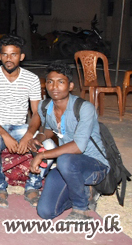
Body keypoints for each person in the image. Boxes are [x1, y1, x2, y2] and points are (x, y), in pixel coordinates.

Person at [29, 61, 109, 220]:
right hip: (68, 167)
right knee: (45, 212)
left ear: (70, 86)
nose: (54, 87)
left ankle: (81, 209)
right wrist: (38, 137)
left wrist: (43, 155)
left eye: (61, 82)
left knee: (64, 159)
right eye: (50, 82)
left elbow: (78, 147)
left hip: (94, 165)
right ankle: (85, 193)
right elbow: (50, 128)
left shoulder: (84, 108)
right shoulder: (44, 106)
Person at [0, 34, 43, 208]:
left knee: (48, 146)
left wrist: (28, 135)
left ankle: (33, 186)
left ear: (21, 56)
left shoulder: (31, 78)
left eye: (14, 55)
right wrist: (5, 135)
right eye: (5, 54)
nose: (9, 59)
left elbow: (37, 113)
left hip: (20, 126)